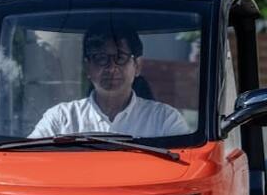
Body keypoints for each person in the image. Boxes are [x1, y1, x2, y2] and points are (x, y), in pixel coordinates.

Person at [28, 25, 190, 138]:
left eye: (120, 58)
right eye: (101, 58)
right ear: (87, 67)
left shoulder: (165, 120)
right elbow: (26, 160)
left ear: (137, 66)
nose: (111, 68)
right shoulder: (61, 119)